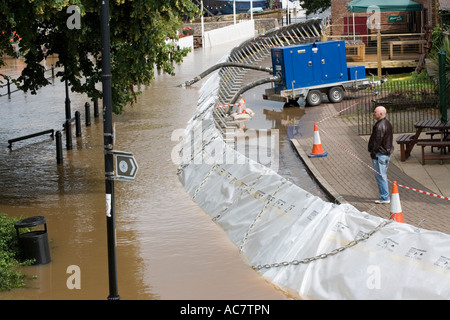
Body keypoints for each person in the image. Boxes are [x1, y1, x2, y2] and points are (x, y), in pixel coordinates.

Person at [368, 106, 393, 204]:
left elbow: (377, 141)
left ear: (381, 114)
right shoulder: (387, 123)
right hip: (386, 153)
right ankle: (384, 196)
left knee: (380, 176)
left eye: (375, 112)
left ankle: (385, 197)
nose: (374, 114)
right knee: (383, 176)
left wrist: (373, 153)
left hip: (380, 154)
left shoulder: (379, 126)